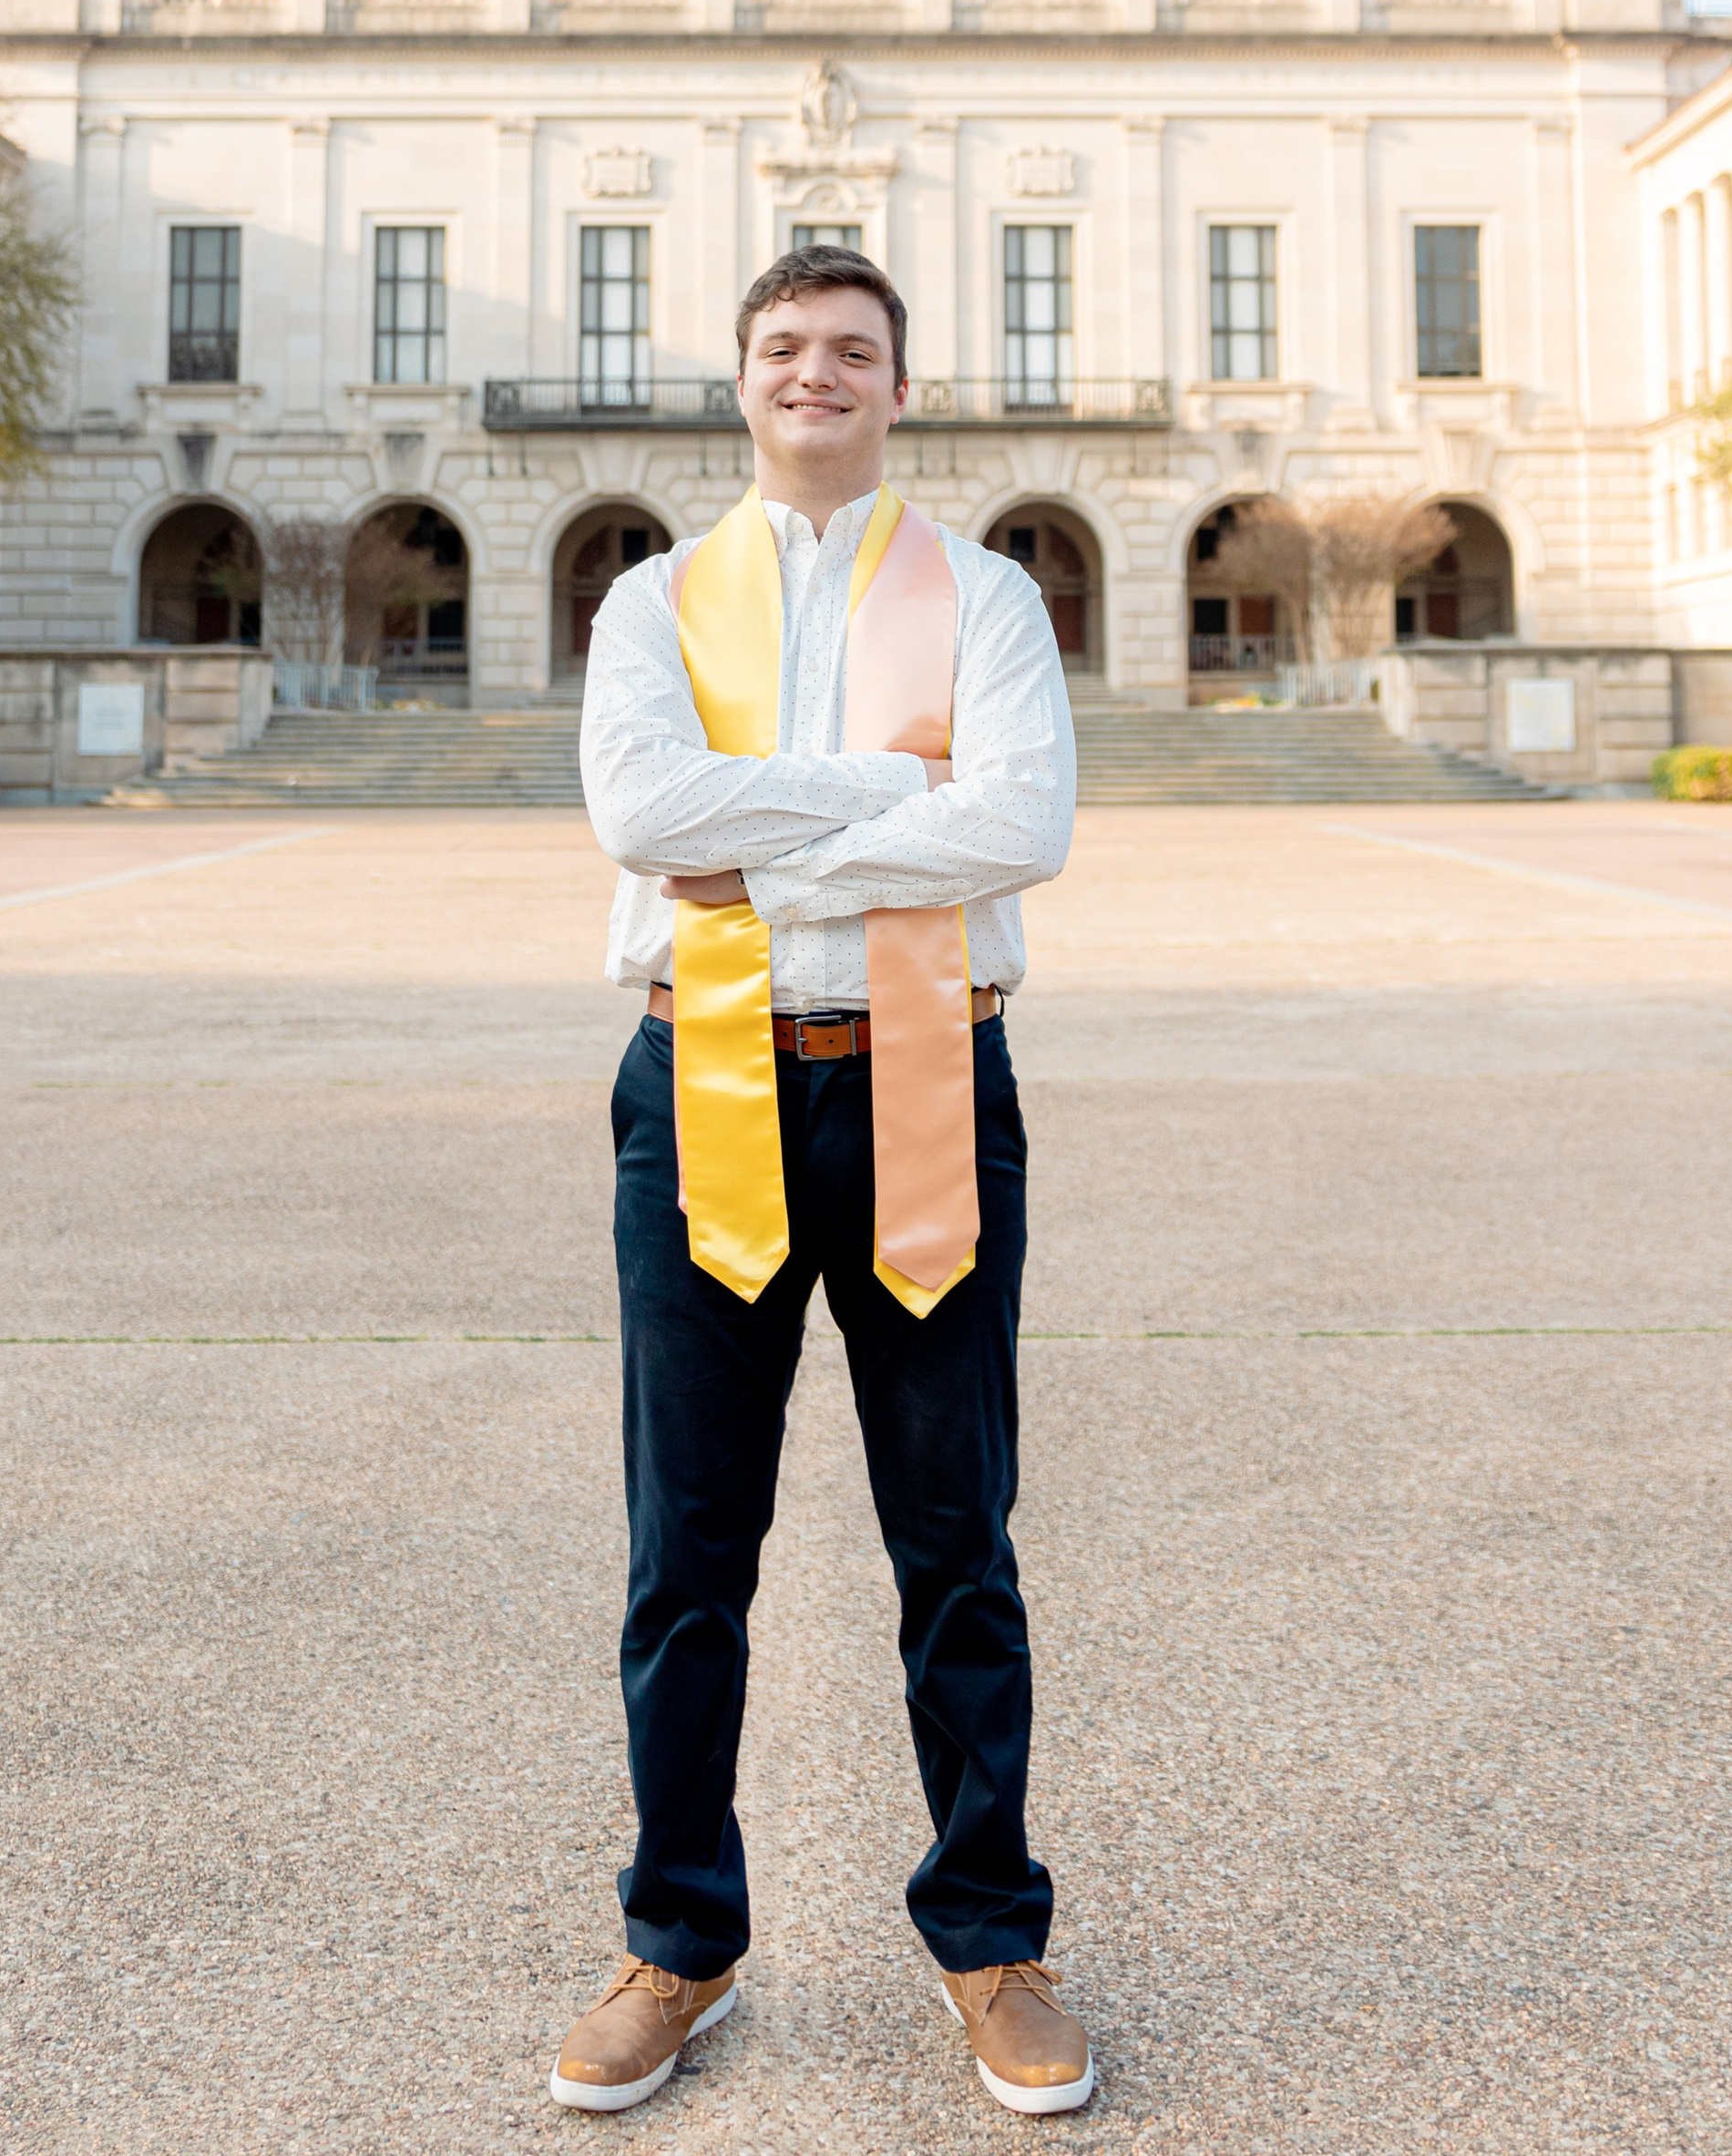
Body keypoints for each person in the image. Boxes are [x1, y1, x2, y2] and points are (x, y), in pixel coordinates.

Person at [551, 248, 1091, 2119]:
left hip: (927, 1079)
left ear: (896, 383)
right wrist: (884, 798)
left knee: (956, 1545)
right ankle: (673, 1942)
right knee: (682, 1552)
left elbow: (1023, 819)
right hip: (696, 1087)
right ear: (740, 376)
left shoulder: (987, 593)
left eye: (850, 350)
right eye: (782, 347)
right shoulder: (647, 600)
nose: (814, 374)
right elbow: (639, 820)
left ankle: (991, 1939)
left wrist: (764, 845)